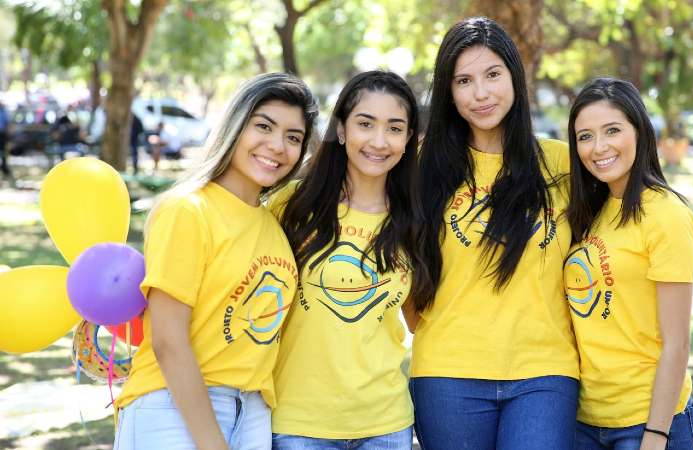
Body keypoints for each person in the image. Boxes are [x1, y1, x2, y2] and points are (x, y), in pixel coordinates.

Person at [113, 72, 319, 450]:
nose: (277, 146)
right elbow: (168, 341)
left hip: (254, 409)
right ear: (235, 127)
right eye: (264, 126)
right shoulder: (188, 209)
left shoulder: (274, 224)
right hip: (173, 405)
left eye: (294, 137)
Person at [407, 17, 579, 450]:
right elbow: (399, 250)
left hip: (545, 373)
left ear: (515, 79)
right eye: (464, 80)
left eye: (492, 74)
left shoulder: (562, 163)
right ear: (448, 90)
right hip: (446, 374)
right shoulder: (421, 166)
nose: (480, 93)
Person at [268, 70, 423, 450]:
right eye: (365, 124)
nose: (378, 141)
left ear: (408, 140)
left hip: (386, 423)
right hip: (299, 423)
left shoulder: (415, 219)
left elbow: (420, 318)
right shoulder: (291, 205)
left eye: (394, 128)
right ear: (341, 130)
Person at [564, 77, 693, 450]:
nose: (599, 147)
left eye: (612, 130)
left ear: (639, 132)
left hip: (648, 423)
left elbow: (678, 342)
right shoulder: (593, 211)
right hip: (585, 422)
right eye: (585, 136)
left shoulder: (666, 215)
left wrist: (656, 436)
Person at [0, 99, 9, 176]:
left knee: (3, 151)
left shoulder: (3, 111)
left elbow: (8, 122)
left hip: (2, 134)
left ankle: (4, 166)